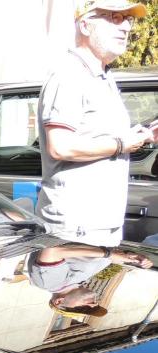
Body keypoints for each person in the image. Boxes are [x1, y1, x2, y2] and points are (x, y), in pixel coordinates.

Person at [36, 1, 158, 247]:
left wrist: (142, 136)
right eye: (114, 18)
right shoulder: (69, 75)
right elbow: (60, 146)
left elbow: (96, 135)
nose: (126, 27)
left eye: (128, 20)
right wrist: (122, 143)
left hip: (98, 225)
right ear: (85, 25)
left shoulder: (102, 76)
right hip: (75, 228)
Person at [28, 243, 152, 316]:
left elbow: (52, 251)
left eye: (83, 308)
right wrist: (131, 257)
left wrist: (108, 254)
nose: (94, 304)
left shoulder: (51, 283)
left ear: (59, 301)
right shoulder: (79, 281)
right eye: (95, 306)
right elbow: (107, 257)